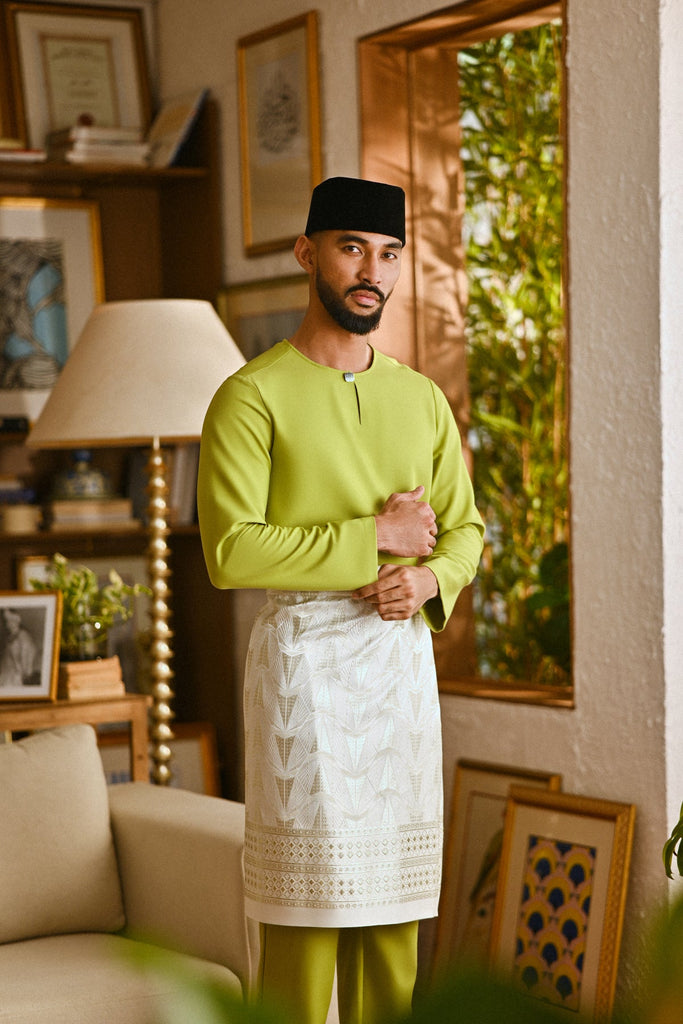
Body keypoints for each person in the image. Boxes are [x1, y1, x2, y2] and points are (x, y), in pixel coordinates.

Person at [197, 176, 485, 1024]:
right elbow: (230, 550)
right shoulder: (250, 396)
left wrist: (429, 578)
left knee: (392, 918)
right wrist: (375, 536)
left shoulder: (420, 398)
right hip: (305, 666)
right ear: (307, 253)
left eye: (389, 254)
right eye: (352, 248)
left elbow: (464, 531)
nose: (372, 272)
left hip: (397, 670)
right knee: (305, 917)